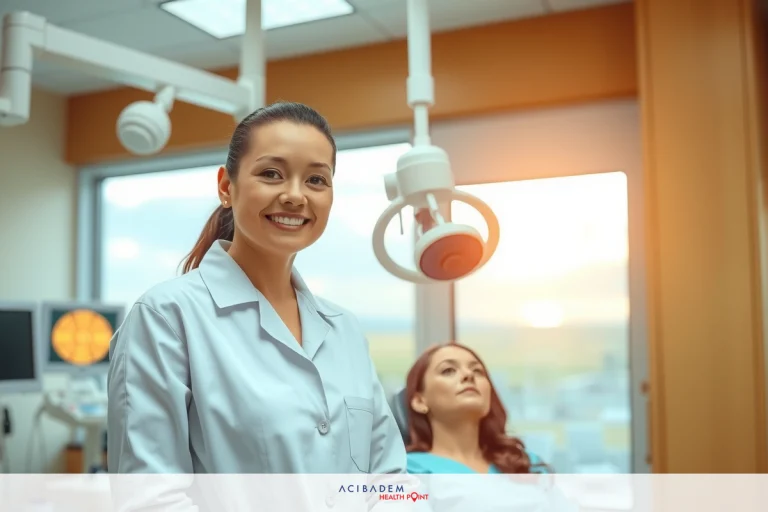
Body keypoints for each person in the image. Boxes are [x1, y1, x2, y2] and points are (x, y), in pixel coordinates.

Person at [106, 101, 407, 477]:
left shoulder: (344, 328)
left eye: (316, 179)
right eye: (271, 173)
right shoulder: (166, 318)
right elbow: (151, 495)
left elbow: (390, 478)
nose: (296, 196)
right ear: (225, 187)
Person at [403, 343, 551, 475]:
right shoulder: (407, 471)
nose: (468, 375)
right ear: (419, 401)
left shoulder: (525, 464)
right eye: (448, 370)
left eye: (478, 371)